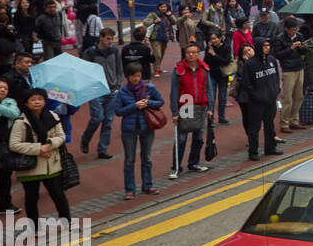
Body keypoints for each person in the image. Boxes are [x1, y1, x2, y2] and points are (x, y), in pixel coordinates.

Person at [9, 86, 71, 227]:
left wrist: (49, 144)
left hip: (51, 164)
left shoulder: (53, 116)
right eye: (33, 99)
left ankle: (67, 222)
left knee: (58, 195)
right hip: (30, 166)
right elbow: (14, 144)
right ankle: (35, 227)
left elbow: (61, 136)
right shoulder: (20, 121)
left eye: (40, 99)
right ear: (26, 103)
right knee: (31, 197)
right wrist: (38, 149)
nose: (37, 102)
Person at [113, 63, 163, 199]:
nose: (136, 79)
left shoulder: (149, 88)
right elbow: (118, 111)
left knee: (146, 158)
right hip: (129, 129)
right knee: (129, 160)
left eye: (139, 76)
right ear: (128, 77)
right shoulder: (122, 92)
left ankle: (147, 185)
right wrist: (134, 106)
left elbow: (160, 102)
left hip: (146, 127)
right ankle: (130, 189)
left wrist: (148, 103)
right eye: (133, 76)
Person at [168, 42, 213, 180]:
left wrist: (211, 108)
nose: (191, 55)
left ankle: (193, 163)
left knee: (199, 137)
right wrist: (175, 112)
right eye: (189, 52)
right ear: (185, 54)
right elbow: (174, 92)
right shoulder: (179, 69)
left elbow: (209, 89)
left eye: (194, 52)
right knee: (181, 138)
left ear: (198, 53)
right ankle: (176, 167)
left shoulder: (204, 68)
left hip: (201, 107)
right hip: (185, 106)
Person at [237, 38, 282, 160]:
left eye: (268, 45)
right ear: (258, 47)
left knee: (270, 125)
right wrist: (256, 95)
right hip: (256, 102)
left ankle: (270, 148)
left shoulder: (271, 60)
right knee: (254, 127)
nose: (267, 47)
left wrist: (276, 90)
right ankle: (253, 152)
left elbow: (277, 77)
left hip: (271, 100)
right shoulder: (250, 64)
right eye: (264, 46)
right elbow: (246, 84)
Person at [79, 27, 120, 161]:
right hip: (96, 90)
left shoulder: (114, 51)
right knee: (97, 117)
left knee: (108, 121)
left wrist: (118, 84)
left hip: (111, 89)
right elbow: (84, 71)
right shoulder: (91, 52)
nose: (110, 41)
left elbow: (119, 68)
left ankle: (102, 149)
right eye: (108, 38)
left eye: (111, 39)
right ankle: (86, 139)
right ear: (101, 37)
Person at [0, 78, 21, 213]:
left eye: (5, 88)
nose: (2, 90)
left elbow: (14, 114)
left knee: (5, 177)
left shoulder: (9, 102)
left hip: (4, 146)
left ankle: (6, 205)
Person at [272, 18, 308, 135]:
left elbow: (304, 53)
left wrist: (303, 48)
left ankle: (294, 120)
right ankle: (284, 123)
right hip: (288, 70)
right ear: (286, 29)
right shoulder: (280, 39)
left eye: (296, 29)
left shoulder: (299, 36)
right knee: (287, 98)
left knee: (299, 96)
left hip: (299, 68)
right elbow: (278, 55)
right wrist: (291, 48)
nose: (295, 31)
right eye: (293, 29)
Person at [203, 29, 234, 125]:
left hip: (223, 75)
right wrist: (209, 52)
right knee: (211, 97)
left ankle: (222, 117)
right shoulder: (209, 48)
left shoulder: (226, 47)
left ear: (220, 38)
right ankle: (211, 118)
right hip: (212, 75)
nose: (213, 40)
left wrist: (214, 55)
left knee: (222, 97)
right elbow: (206, 61)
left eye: (215, 38)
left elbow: (226, 61)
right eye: (211, 39)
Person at [143, 1, 177, 76]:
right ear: (158, 7)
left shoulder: (168, 14)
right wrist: (154, 21)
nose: (163, 8)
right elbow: (145, 22)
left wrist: (170, 15)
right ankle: (156, 70)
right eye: (161, 7)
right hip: (155, 37)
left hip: (166, 37)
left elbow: (175, 22)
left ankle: (158, 67)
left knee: (161, 53)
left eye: (165, 7)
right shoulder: (153, 14)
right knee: (157, 54)